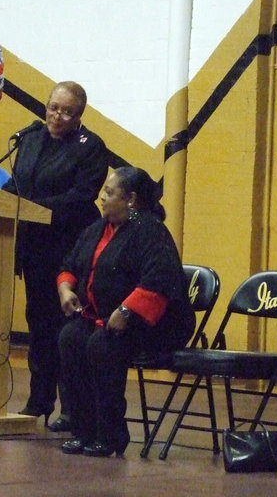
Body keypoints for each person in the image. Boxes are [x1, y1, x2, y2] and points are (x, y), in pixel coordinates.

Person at [57, 167, 195, 457]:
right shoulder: (98, 229)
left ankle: (110, 436)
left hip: (151, 327)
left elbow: (159, 282)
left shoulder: (150, 231)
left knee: (102, 345)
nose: (102, 197)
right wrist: (66, 290)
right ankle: (83, 431)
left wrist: (126, 311)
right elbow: (70, 265)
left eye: (109, 192)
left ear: (131, 199)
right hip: (102, 319)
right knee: (70, 337)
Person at [2, 81, 108, 431]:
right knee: (39, 324)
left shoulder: (90, 147)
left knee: (67, 328)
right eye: (53, 108)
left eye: (66, 111)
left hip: (69, 248)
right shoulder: (31, 139)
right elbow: (17, 184)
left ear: (80, 115)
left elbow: (82, 196)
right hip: (34, 248)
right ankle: (39, 399)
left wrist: (34, 208)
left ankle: (72, 408)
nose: (57, 116)